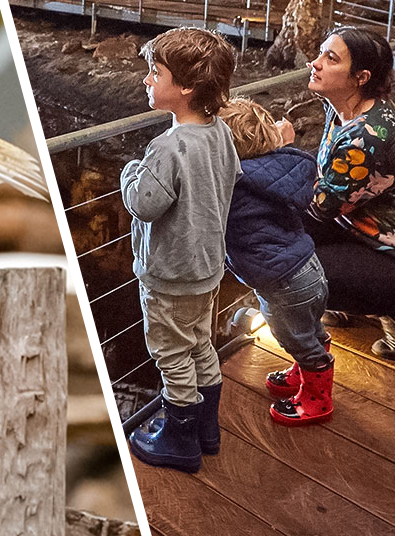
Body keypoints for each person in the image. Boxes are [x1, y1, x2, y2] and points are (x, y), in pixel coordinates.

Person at [120, 27, 241, 474]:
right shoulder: (221, 133)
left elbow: (144, 204)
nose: (146, 80)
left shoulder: (166, 148)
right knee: (200, 344)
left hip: (170, 274)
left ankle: (180, 437)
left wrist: (129, 172)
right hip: (208, 267)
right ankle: (207, 429)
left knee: (171, 354)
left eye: (155, 72)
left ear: (186, 87)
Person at [302, 26, 395, 361]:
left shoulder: (368, 137)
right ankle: (351, 302)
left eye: (331, 58)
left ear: (360, 77)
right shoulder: (348, 109)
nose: (315, 63)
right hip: (370, 231)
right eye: (321, 53)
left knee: (293, 266)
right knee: (291, 238)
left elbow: (320, 211)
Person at [219, 97, 334, 425]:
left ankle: (317, 399)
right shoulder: (278, 173)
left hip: (284, 284)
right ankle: (306, 370)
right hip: (308, 269)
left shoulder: (236, 184)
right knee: (308, 328)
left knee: (294, 336)